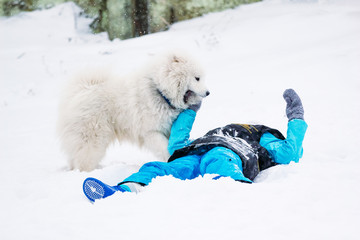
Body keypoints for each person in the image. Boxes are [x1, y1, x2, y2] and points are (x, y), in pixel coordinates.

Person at [83, 89, 307, 202]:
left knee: (219, 159)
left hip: (228, 154)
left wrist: (296, 117)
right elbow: (178, 144)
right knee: (159, 167)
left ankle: (237, 194)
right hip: (197, 152)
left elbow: (289, 153)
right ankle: (123, 190)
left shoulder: (263, 134)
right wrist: (191, 109)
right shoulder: (214, 133)